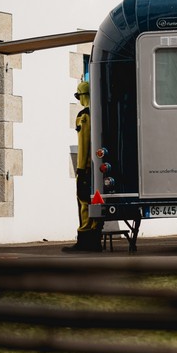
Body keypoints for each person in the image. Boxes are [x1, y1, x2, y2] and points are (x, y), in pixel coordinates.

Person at [63, 80, 103, 252]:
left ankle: (85, 239)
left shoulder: (84, 115)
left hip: (86, 168)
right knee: (96, 200)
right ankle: (95, 238)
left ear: (82, 96)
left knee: (83, 202)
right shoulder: (100, 113)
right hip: (98, 167)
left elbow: (84, 143)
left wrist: (81, 168)